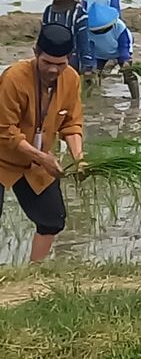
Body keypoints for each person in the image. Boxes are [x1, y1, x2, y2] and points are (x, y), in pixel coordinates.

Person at [0, 24, 85, 262]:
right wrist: (43, 158)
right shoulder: (14, 79)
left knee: (52, 220)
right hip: (4, 155)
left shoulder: (71, 79)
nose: (53, 70)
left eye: (61, 64)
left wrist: (79, 158)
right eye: (47, 62)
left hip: (35, 161)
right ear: (36, 52)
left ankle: (33, 273)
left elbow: (71, 124)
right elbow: (6, 131)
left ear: (69, 58)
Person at [39, 0, 93, 75]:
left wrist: (87, 64)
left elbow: (83, 41)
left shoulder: (79, 13)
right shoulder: (49, 11)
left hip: (70, 61)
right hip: (48, 59)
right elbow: (43, 36)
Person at [86, 3, 139, 100]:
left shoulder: (119, 27)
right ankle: (93, 98)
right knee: (92, 76)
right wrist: (91, 65)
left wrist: (125, 61)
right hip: (100, 53)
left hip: (119, 51)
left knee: (128, 73)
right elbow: (90, 49)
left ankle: (135, 100)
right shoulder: (87, 31)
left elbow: (124, 47)